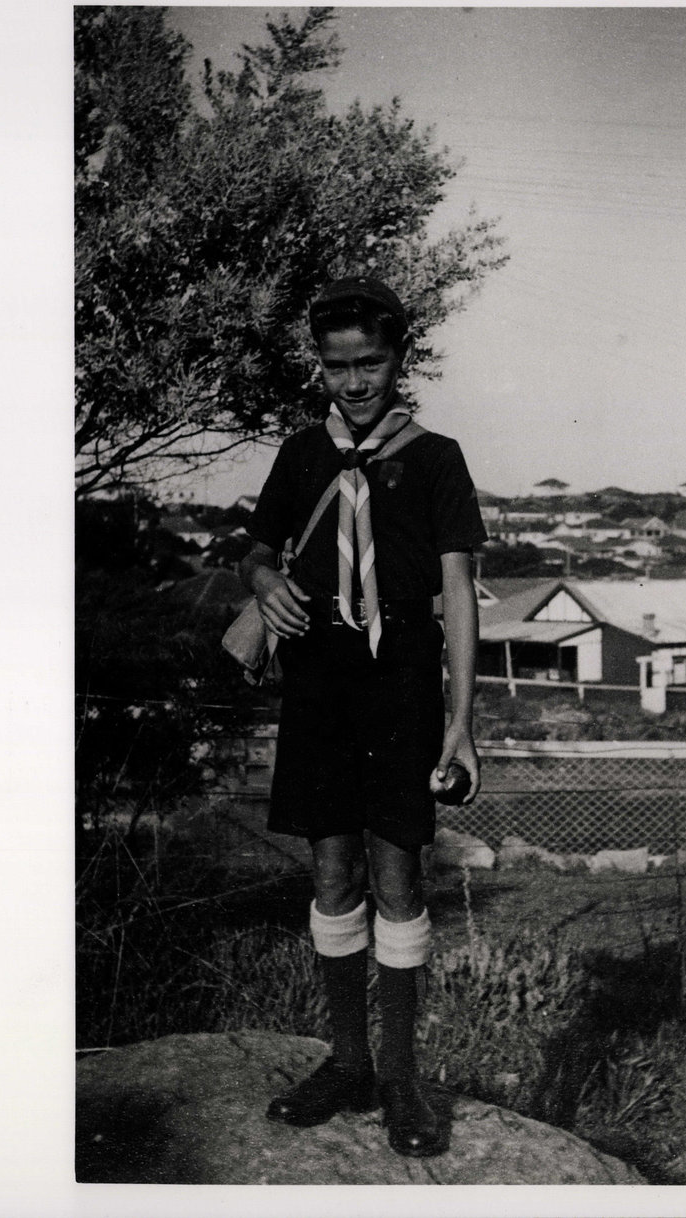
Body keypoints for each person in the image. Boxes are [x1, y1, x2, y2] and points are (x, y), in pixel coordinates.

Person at [239, 276, 486, 1158]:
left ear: (399, 359)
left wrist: (458, 724)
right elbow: (260, 551)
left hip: (403, 679)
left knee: (397, 878)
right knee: (332, 874)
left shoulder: (435, 457)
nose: (353, 381)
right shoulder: (304, 453)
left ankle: (402, 1077)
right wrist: (264, 580)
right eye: (337, 365)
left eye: (370, 363)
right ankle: (346, 1062)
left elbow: (458, 593)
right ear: (321, 366)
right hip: (319, 679)